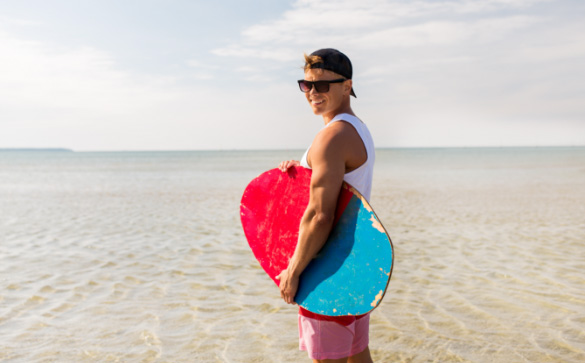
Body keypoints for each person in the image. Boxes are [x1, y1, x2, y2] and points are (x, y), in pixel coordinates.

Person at [276, 48, 376, 363]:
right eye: (307, 85)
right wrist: (302, 172)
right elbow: (342, 187)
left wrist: (293, 270)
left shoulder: (331, 136)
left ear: (347, 86)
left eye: (323, 85)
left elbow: (321, 215)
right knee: (357, 356)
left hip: (327, 269)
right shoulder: (356, 129)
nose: (313, 93)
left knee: (327, 358)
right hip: (356, 264)